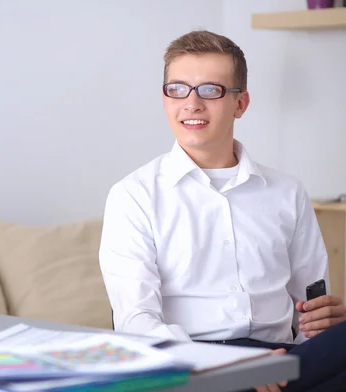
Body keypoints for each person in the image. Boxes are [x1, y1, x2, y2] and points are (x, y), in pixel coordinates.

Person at [98, 30, 346, 392]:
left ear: (240, 104)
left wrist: (323, 326)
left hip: (280, 359)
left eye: (210, 90)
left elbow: (310, 306)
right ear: (165, 99)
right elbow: (136, 320)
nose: (192, 104)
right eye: (178, 89)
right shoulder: (132, 195)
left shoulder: (287, 192)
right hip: (191, 363)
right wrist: (230, 367)